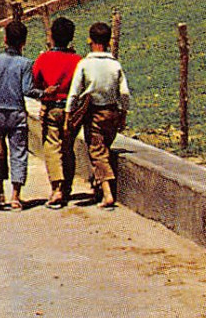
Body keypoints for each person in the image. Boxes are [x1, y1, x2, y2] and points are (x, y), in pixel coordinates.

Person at [65, 21, 131, 209]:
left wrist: (69, 114)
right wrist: (123, 113)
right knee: (105, 148)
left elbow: (75, 91)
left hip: (94, 112)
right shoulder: (115, 65)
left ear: (90, 41)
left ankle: (107, 193)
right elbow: (124, 93)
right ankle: (99, 187)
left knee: (97, 151)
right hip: (112, 112)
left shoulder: (85, 64)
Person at [0, 20, 33, 210]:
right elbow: (28, 90)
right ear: (24, 42)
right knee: (18, 152)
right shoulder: (26, 64)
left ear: (5, 40)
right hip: (17, 113)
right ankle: (16, 196)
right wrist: (44, 93)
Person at [31, 17, 82, 209]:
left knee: (52, 147)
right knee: (68, 147)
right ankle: (67, 187)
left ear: (51, 36)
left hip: (52, 107)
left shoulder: (44, 58)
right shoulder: (77, 60)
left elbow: (34, 81)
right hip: (71, 110)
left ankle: (57, 188)